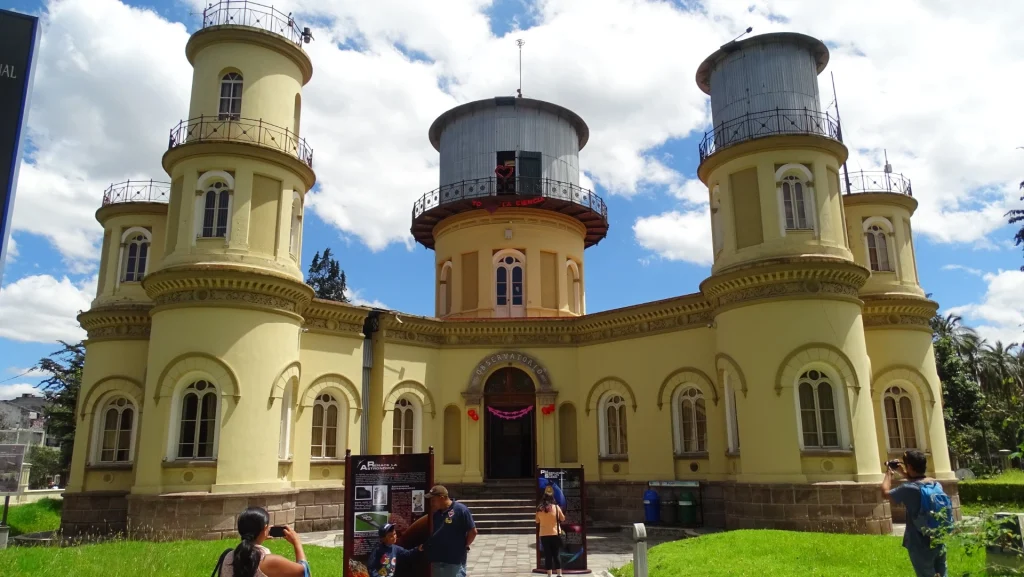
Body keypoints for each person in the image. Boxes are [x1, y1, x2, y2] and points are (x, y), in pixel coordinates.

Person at [882, 449, 950, 577]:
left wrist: (889, 474)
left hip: (920, 544)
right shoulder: (935, 483)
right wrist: (904, 472)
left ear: (910, 467)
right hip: (938, 538)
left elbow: (885, 493)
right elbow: (918, 481)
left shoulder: (908, 489)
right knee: (942, 574)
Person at [216, 507, 310, 577]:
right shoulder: (267, 560)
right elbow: (304, 572)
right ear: (265, 528)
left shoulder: (227, 557)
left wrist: (259, 538)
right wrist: (297, 542)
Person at [425, 485, 477, 577]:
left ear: (441, 498)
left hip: (454, 561)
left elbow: (473, 531)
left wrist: (464, 545)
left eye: (433, 500)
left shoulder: (461, 510)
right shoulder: (436, 513)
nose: (431, 503)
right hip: (437, 560)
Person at [535, 486, 565, 577]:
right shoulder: (556, 507)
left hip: (544, 535)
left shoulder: (539, 509)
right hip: (555, 533)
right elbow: (562, 518)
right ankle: (559, 574)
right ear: (552, 498)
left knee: (548, 555)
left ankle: (549, 575)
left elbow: (537, 521)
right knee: (556, 554)